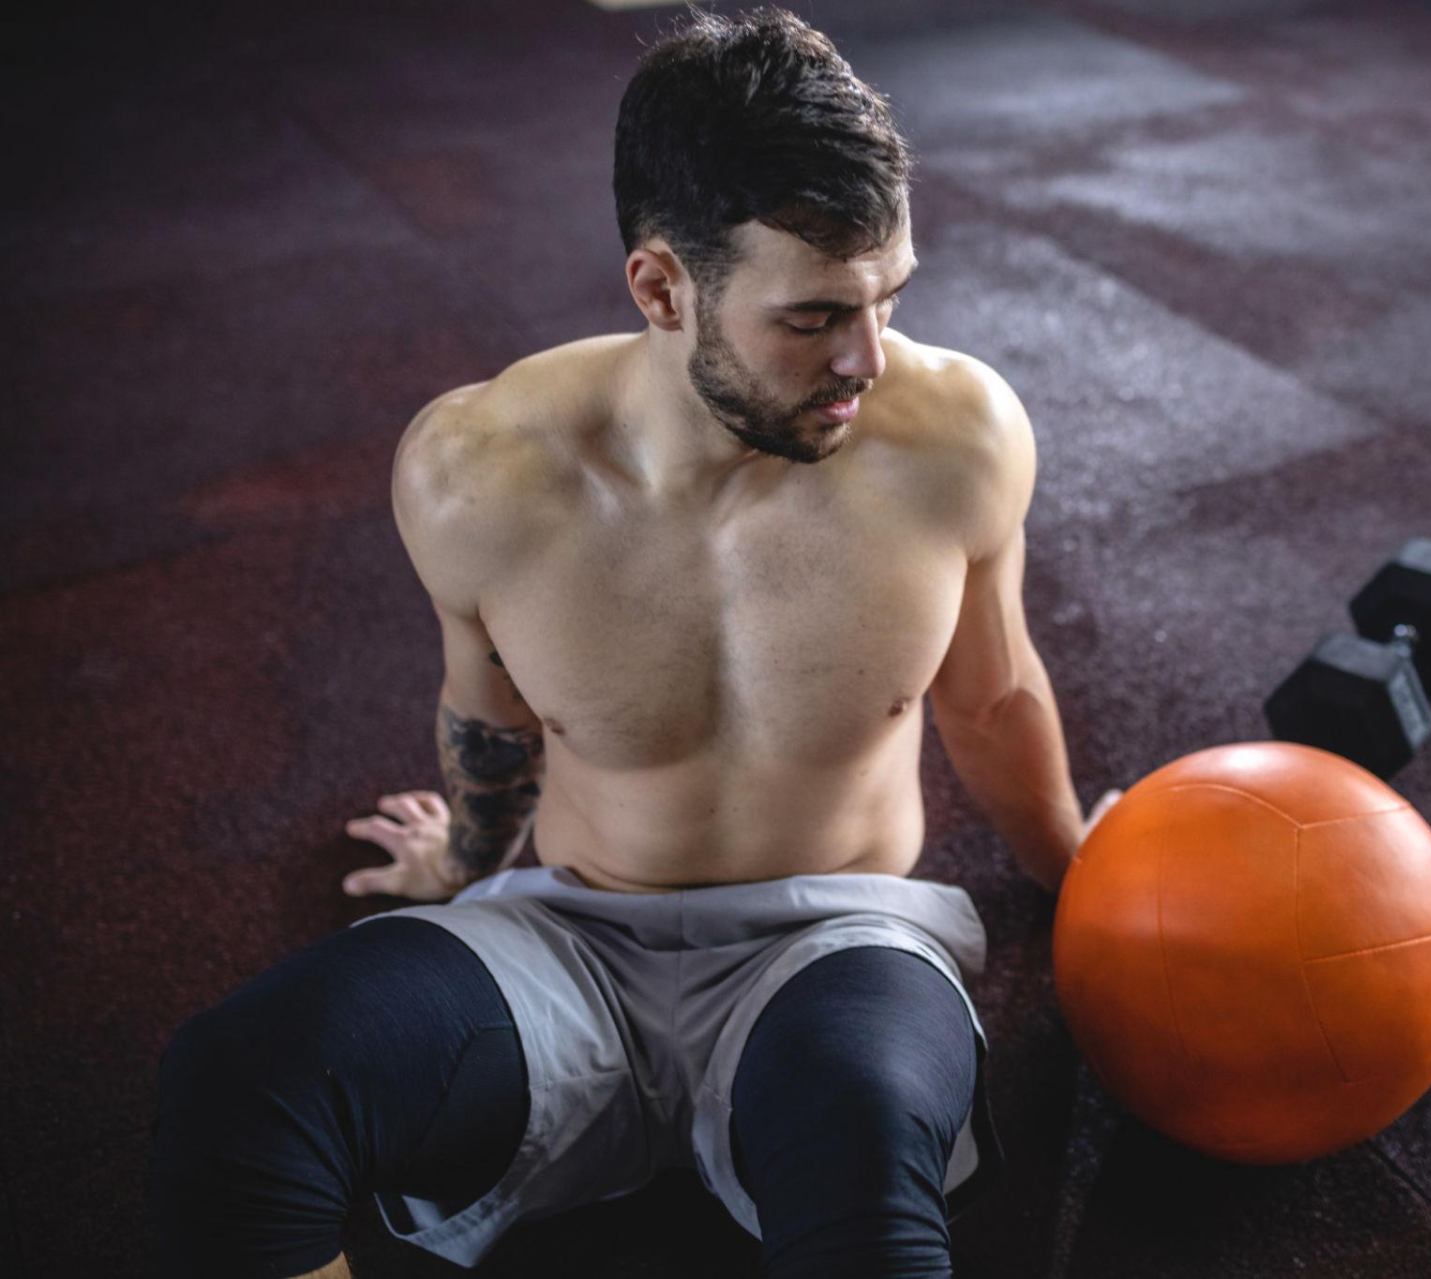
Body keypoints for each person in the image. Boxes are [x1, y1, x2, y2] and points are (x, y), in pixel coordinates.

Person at [145, 8, 1122, 1278]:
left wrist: (1076, 871)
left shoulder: (961, 440)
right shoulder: (478, 471)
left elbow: (991, 695)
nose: (869, 357)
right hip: (572, 936)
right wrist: (464, 860)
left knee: (868, 1170)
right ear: (662, 287)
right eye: (815, 316)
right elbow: (491, 712)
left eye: (891, 297)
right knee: (234, 1089)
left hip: (833, 938)